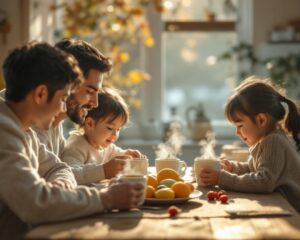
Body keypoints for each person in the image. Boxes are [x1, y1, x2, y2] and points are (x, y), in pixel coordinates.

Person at [0, 41, 144, 239]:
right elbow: (35, 203)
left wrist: (60, 184)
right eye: (63, 97)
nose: (62, 109)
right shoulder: (6, 128)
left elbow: (58, 168)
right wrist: (107, 198)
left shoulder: (23, 125)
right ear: (41, 93)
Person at [198, 76, 300, 212]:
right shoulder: (267, 140)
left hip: (293, 212)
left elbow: (264, 181)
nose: (237, 133)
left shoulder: (273, 141)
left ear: (261, 120)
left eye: (240, 125)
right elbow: (254, 168)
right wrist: (233, 168)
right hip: (282, 207)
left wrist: (223, 179)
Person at [61, 87, 145, 185]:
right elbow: (69, 174)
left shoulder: (104, 145)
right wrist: (103, 171)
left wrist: (127, 154)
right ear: (90, 124)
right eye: (110, 128)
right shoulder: (76, 146)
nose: (115, 135)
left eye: (118, 129)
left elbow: (116, 154)